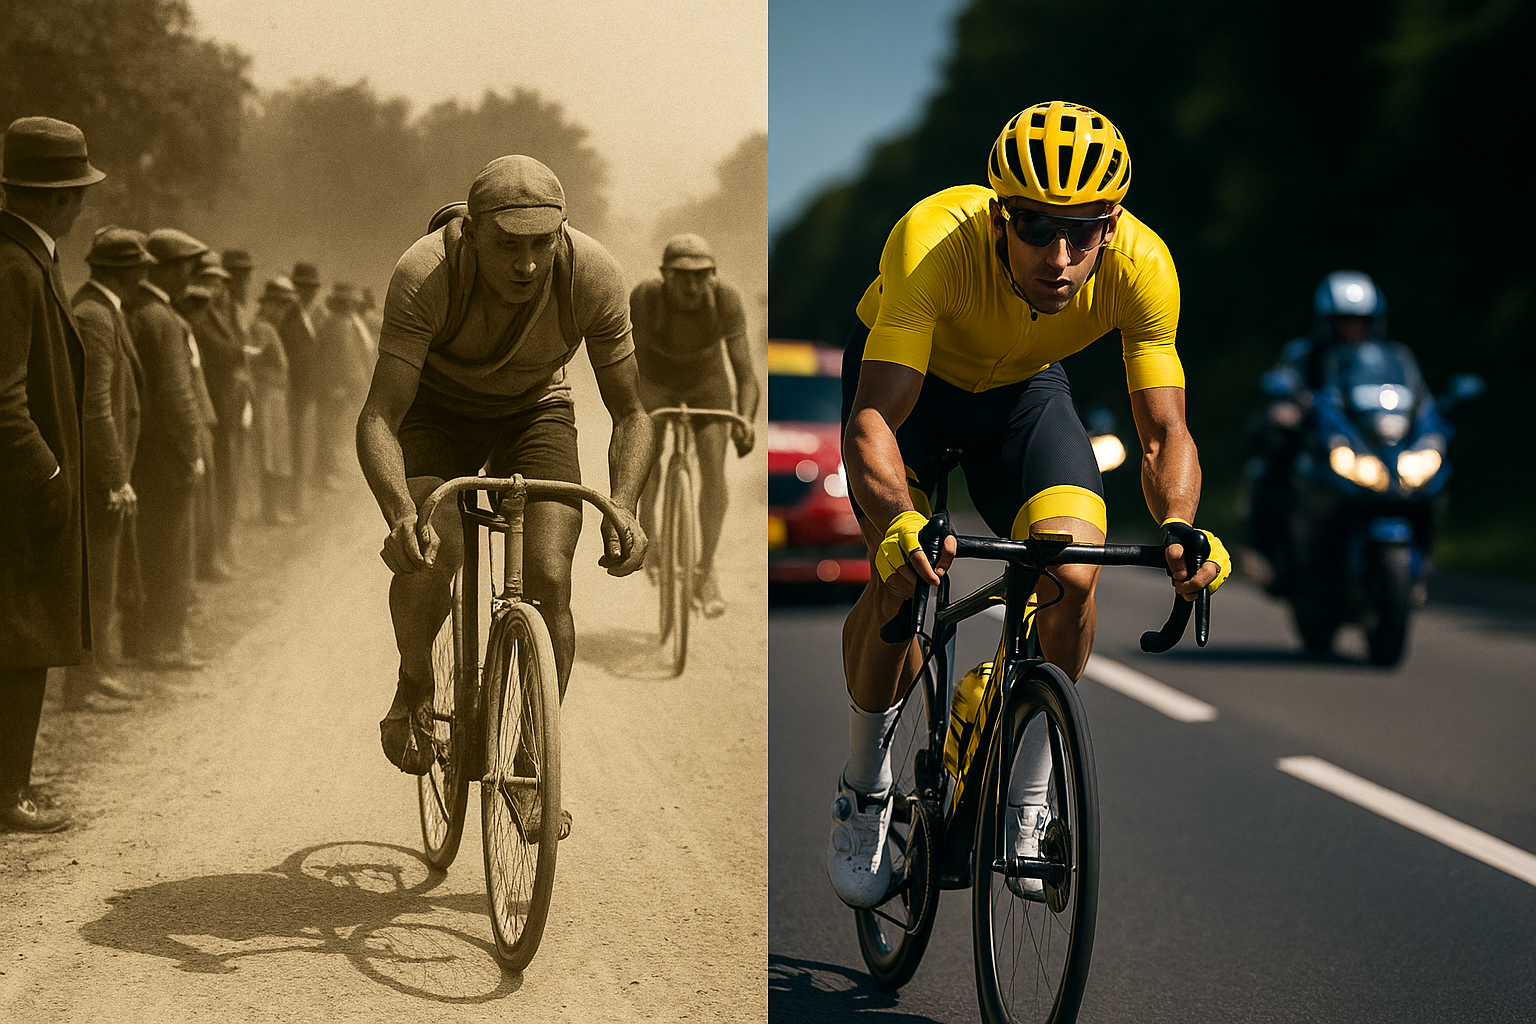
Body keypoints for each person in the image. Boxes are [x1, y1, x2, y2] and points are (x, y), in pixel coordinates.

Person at [827, 101, 1231, 907]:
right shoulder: (933, 240)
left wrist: (1182, 527)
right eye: (1036, 227)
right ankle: (866, 788)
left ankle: (1029, 798)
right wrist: (898, 522)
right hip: (912, 394)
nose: (1059, 256)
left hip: (1022, 401)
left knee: (1074, 574)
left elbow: (1163, 433)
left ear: (1112, 225)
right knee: (903, 580)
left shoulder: (1145, 266)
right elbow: (874, 418)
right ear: (998, 216)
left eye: (1083, 231)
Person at [357, 155, 652, 807]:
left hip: (534, 411)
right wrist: (398, 515)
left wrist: (625, 505)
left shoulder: (592, 274)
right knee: (438, 551)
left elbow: (632, 411)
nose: (526, 265)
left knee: (548, 574)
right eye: (507, 246)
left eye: (541, 245)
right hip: (437, 413)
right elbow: (380, 415)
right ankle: (413, 684)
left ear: (563, 235)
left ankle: (527, 761)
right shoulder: (425, 274)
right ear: (470, 234)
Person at [0, 115, 105, 832]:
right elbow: (3, 398)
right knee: (22, 643)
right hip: (20, 497)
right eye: (76, 191)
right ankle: (10, 794)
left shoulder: (27, 260)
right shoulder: (14, 268)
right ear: (62, 198)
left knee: (21, 642)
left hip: (22, 492)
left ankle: (13, 786)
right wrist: (49, 480)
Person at [629, 233, 757, 617]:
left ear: (713, 275)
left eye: (701, 275)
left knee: (714, 471)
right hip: (655, 380)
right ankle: (648, 534)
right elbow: (626, 362)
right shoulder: (645, 299)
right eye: (682, 275)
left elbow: (746, 375)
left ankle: (705, 569)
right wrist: (629, 414)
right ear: (664, 275)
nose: (692, 284)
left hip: (707, 383)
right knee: (647, 458)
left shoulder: (726, 300)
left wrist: (745, 421)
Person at [1248, 270, 1388, 595]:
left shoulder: (1385, 359)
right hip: (1318, 446)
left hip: (1368, 445)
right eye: (1344, 320)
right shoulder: (1304, 355)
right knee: (1273, 467)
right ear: (1327, 321)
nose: (1353, 327)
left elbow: (1405, 394)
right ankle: (1269, 550)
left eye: (1360, 320)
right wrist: (1287, 409)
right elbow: (1282, 383)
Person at [63, 226, 153, 712]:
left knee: (105, 578)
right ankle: (83, 685)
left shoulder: (103, 310)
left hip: (106, 474)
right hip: (99, 477)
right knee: (95, 582)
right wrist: (116, 476)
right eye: (140, 266)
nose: (144, 274)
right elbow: (95, 405)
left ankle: (100, 672)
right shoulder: (94, 315)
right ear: (127, 271)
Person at [126, 228, 213, 671]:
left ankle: (145, 639)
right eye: (184, 267)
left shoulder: (138, 310)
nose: (189, 276)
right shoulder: (161, 318)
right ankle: (164, 644)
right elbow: (178, 397)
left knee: (151, 546)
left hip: (145, 454)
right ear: (161, 268)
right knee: (172, 549)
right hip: (167, 455)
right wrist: (193, 451)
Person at [246, 278, 297, 524]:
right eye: (279, 306)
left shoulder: (269, 328)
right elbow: (250, 357)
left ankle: (272, 510)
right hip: (267, 398)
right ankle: (269, 511)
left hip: (275, 397)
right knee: (270, 453)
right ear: (269, 305)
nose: (283, 312)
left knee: (275, 453)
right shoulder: (263, 328)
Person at [314, 281, 374, 487]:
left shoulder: (350, 323)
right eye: (348, 303)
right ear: (341, 303)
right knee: (329, 430)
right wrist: (336, 385)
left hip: (348, 385)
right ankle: (324, 474)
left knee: (338, 429)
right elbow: (332, 359)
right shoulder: (334, 324)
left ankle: (332, 469)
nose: (352, 306)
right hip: (335, 387)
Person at [280, 260, 323, 508]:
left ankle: (296, 498)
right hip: (290, 391)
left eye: (313, 287)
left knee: (299, 445)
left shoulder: (309, 315)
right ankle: (290, 501)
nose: (311, 292)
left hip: (304, 391)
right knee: (290, 447)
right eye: (305, 287)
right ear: (296, 288)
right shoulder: (289, 316)